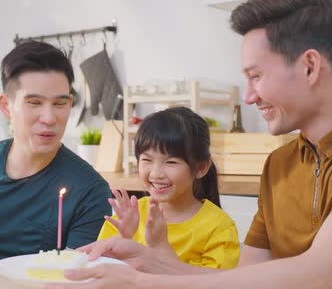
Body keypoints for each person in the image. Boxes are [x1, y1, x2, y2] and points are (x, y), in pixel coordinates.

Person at [47, 0, 332, 289]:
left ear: (310, 66)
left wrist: (144, 288)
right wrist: (149, 262)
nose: (249, 96)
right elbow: (246, 283)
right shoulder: (280, 164)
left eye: (257, 76)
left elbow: (314, 282)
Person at [0, 41, 112, 266]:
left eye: (59, 104)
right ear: (6, 106)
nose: (49, 117)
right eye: (34, 103)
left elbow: (75, 274)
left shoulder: (91, 190)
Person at [98, 107, 239, 269]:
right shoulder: (128, 216)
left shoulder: (218, 228)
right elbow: (101, 273)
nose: (156, 173)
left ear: (200, 168)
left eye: (171, 162)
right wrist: (124, 239)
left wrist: (161, 247)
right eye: (147, 160)